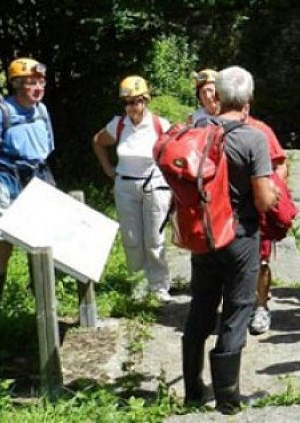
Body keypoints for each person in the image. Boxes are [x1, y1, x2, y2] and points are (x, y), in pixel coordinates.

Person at [180, 66, 278, 414]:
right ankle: (227, 398)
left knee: (200, 307)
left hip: (204, 234)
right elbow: (265, 198)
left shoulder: (196, 130)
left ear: (217, 97)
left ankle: (192, 389)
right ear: (248, 100)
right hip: (240, 235)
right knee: (237, 310)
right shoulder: (253, 138)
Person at [92, 76, 173, 302]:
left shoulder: (160, 124)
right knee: (131, 238)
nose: (132, 107)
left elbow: (174, 153)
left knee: (154, 237)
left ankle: (159, 286)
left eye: (136, 101)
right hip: (125, 185)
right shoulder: (118, 124)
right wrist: (109, 169)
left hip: (155, 185)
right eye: (127, 102)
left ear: (145, 100)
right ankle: (138, 285)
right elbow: (97, 141)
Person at [0, 57, 55, 312]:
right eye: (31, 83)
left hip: (38, 181)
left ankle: (41, 301)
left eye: (41, 82)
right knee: (4, 246)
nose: (38, 87)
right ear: (15, 84)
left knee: (39, 242)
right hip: (5, 183)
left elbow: (46, 150)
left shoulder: (42, 111)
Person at [245, 108, 288, 336]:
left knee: (261, 261)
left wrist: (274, 188)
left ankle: (261, 306)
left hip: (258, 206)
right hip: (227, 210)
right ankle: (238, 307)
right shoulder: (211, 128)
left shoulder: (260, 130)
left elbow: (280, 163)